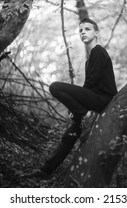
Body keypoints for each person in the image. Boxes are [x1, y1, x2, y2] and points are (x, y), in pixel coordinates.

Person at [32, 18, 117, 177]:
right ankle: (46, 170)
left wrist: (81, 109)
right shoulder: (89, 59)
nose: (83, 32)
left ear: (96, 33)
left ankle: (85, 115)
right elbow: (89, 85)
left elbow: (90, 83)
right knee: (69, 135)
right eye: (80, 30)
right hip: (93, 100)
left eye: (87, 29)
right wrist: (77, 109)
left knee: (55, 87)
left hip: (102, 99)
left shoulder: (99, 51)